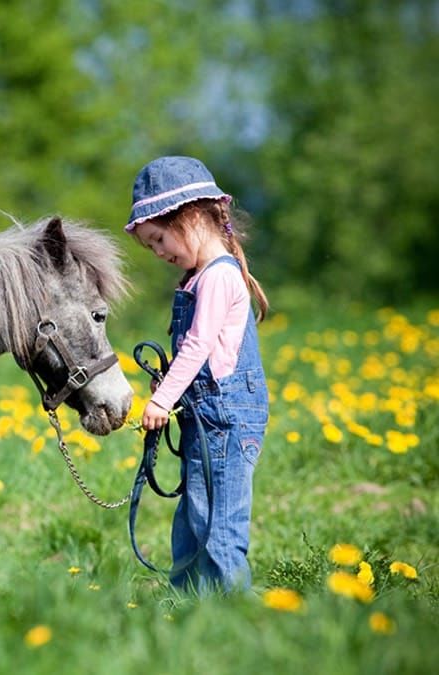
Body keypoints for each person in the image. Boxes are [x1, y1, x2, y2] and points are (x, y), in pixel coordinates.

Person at [124, 155, 269, 593]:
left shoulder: (219, 277)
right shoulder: (197, 277)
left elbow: (199, 345)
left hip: (224, 420)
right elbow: (202, 357)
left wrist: (163, 399)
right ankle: (187, 605)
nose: (160, 252)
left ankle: (230, 612)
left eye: (160, 239)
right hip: (204, 417)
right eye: (151, 246)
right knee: (191, 520)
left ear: (189, 217)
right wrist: (172, 385)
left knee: (218, 528)